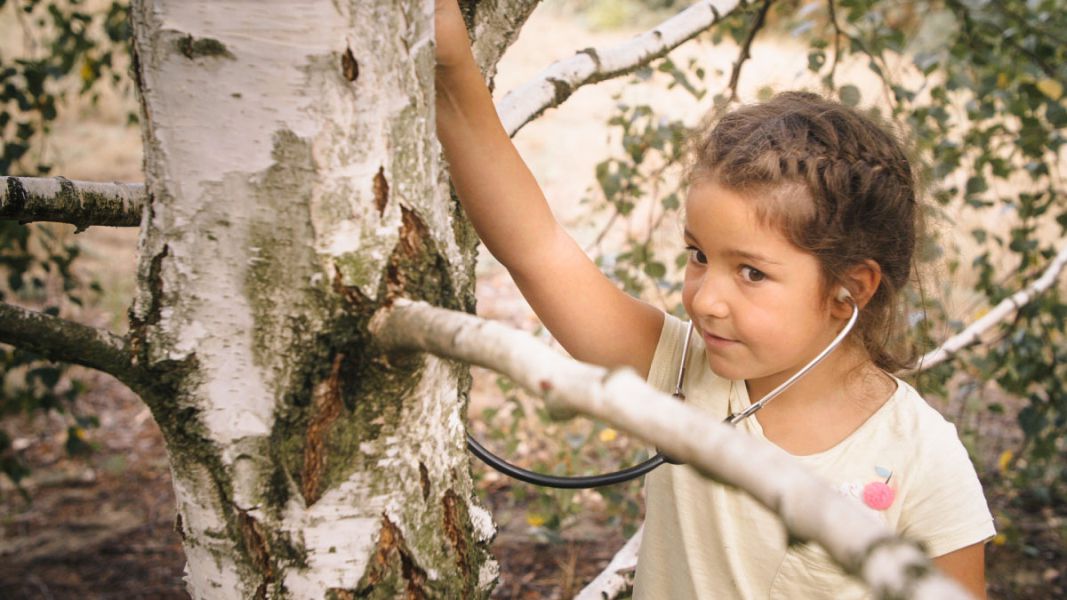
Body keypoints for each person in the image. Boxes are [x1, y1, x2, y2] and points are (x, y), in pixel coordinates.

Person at [434, 1, 995, 598]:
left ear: (848, 290)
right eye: (699, 254)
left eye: (751, 272)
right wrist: (452, 67)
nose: (705, 301)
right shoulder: (679, 372)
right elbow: (538, 248)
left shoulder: (922, 460)